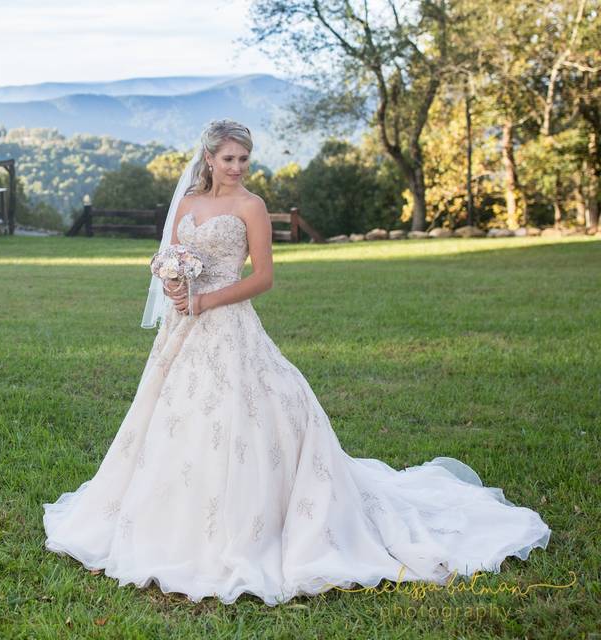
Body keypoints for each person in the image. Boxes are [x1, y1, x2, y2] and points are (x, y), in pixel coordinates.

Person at [42, 119, 551, 605]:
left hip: (227, 325)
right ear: (209, 158)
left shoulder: (252, 206)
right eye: (229, 158)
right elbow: (170, 257)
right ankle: (169, 521)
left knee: (241, 420)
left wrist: (205, 301)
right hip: (183, 329)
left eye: (244, 158)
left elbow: (263, 278)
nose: (238, 166)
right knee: (175, 420)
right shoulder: (190, 203)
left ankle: (250, 525)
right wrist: (174, 283)